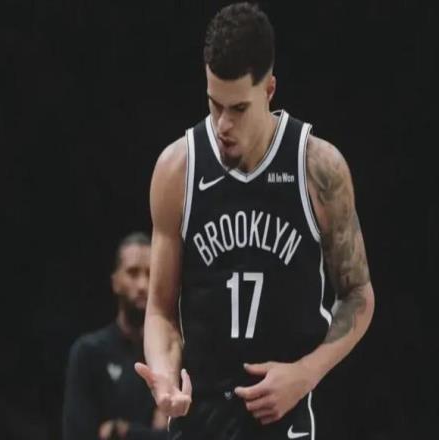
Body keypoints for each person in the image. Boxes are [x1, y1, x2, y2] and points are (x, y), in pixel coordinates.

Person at [135, 3, 375, 439]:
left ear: (269, 89)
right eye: (214, 105)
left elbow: (358, 295)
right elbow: (160, 310)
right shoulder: (177, 169)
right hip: (200, 419)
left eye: (239, 108)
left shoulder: (317, 167)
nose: (223, 124)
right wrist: (166, 376)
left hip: (284, 421)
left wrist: (306, 373)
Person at [63, 232, 167, 440]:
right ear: (115, 281)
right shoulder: (88, 353)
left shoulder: (171, 356)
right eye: (133, 273)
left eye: (150, 274)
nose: (142, 285)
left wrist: (121, 431)